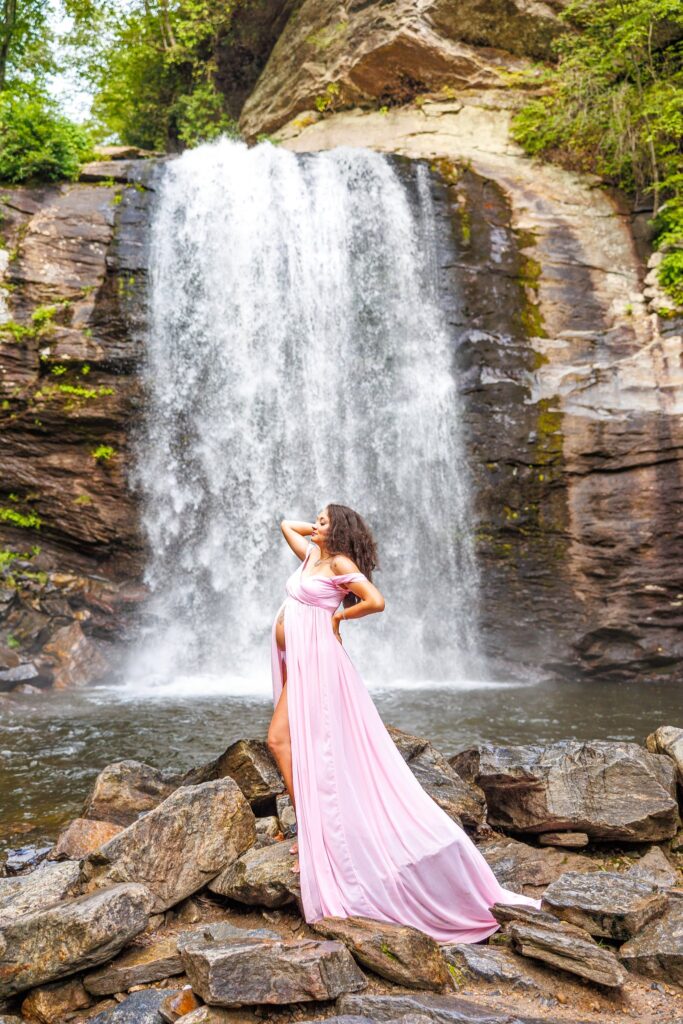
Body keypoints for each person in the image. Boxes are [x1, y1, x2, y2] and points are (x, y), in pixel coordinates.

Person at [268, 503, 541, 943]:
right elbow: (285, 524)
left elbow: (375, 601)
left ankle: (314, 835)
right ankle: (310, 829)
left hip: (319, 662)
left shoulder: (338, 562)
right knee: (286, 742)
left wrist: (338, 615)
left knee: (294, 744)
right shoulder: (311, 556)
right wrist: (322, 531)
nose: (313, 525)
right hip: (302, 659)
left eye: (322, 521)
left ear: (336, 532)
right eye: (315, 521)